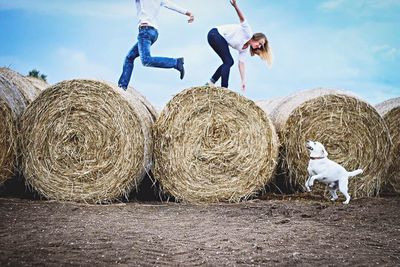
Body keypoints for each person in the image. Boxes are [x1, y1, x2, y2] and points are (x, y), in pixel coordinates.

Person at [118, 0, 194, 90]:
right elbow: (171, 5)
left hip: (145, 31)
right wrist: (188, 13)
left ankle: (176, 63)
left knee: (146, 60)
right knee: (129, 57)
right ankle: (122, 86)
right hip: (154, 33)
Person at [206, 0, 272, 92]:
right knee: (228, 61)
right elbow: (242, 18)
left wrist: (243, 81)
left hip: (215, 38)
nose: (259, 47)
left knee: (228, 62)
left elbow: (241, 64)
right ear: (256, 38)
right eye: (260, 43)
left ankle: (210, 83)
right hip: (215, 34)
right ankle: (224, 90)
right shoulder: (248, 32)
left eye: (261, 46)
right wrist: (235, 5)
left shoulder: (244, 49)